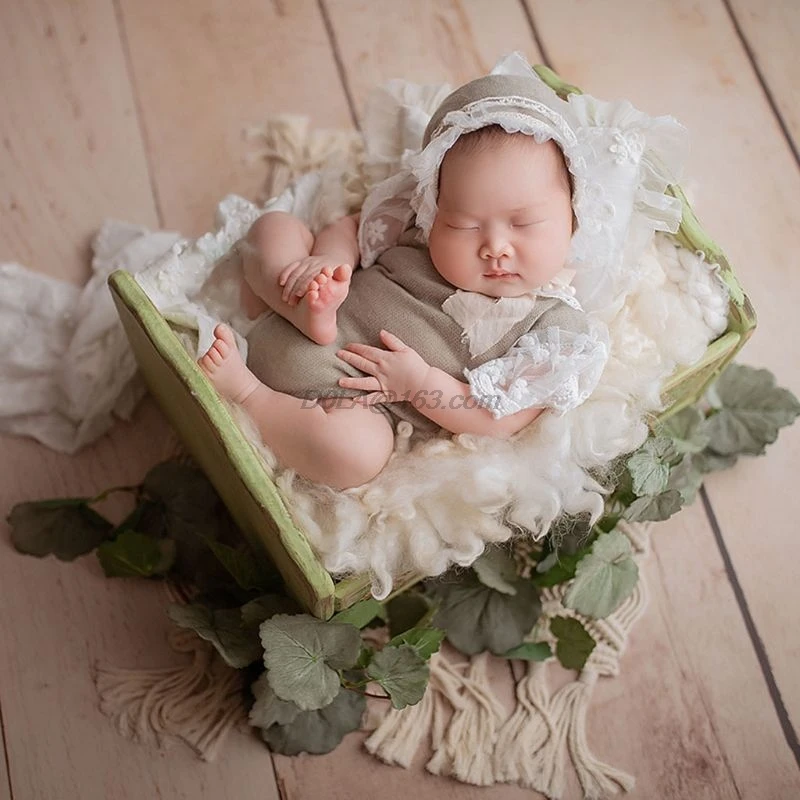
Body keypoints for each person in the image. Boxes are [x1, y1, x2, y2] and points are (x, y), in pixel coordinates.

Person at [198, 74, 608, 490]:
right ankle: (299, 308)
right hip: (297, 308)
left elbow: (499, 417)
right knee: (275, 227)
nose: (495, 247)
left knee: (359, 453)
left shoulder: (556, 329)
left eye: (524, 224)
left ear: (573, 219)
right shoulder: (416, 227)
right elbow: (349, 228)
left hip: (341, 400)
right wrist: (331, 264)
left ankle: (248, 395)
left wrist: (419, 384)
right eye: (464, 225)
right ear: (434, 209)